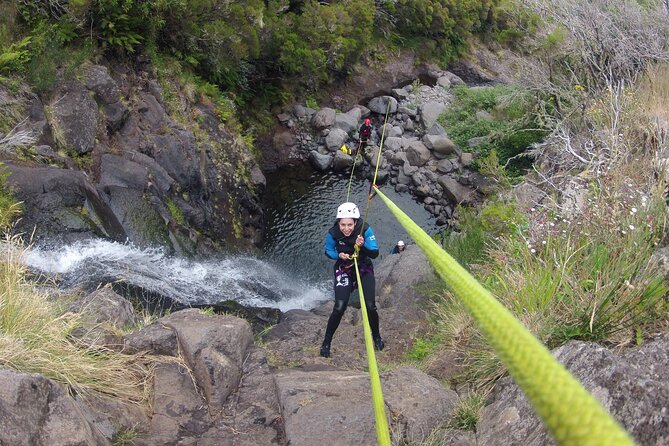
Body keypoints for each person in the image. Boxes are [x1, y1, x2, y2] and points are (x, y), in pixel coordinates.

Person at [320, 202, 384, 358]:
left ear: (355, 222)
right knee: (339, 306)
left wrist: (362, 246)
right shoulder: (333, 232)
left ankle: (376, 336)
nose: (346, 228)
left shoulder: (365, 229)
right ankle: (326, 342)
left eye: (350, 224)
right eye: (343, 224)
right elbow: (328, 250)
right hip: (344, 267)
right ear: (338, 223)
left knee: (370, 306)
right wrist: (338, 255)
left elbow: (374, 253)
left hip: (363, 267)